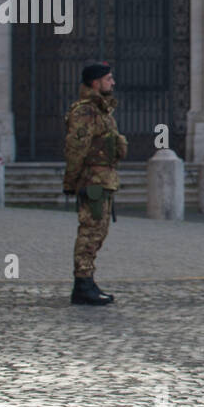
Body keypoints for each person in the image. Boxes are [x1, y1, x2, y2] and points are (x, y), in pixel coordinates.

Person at [62, 61, 128, 305]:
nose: (113, 82)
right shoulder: (85, 111)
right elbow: (76, 148)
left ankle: (88, 281)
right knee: (90, 233)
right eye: (108, 78)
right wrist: (71, 180)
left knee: (98, 232)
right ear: (95, 82)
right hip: (93, 182)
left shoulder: (101, 110)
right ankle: (82, 284)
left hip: (103, 180)